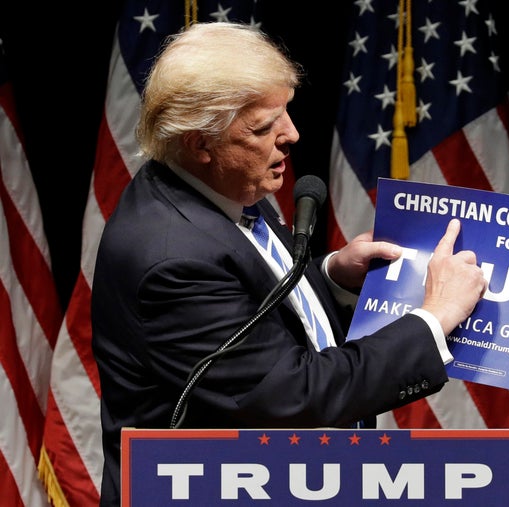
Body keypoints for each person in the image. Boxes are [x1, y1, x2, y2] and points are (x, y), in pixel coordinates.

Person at [91, 21, 488, 506]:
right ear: (200, 143)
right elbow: (293, 398)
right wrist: (437, 317)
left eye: (286, 113)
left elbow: (255, 311)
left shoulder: (211, 188)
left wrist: (334, 277)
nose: (292, 135)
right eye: (263, 127)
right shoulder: (173, 258)